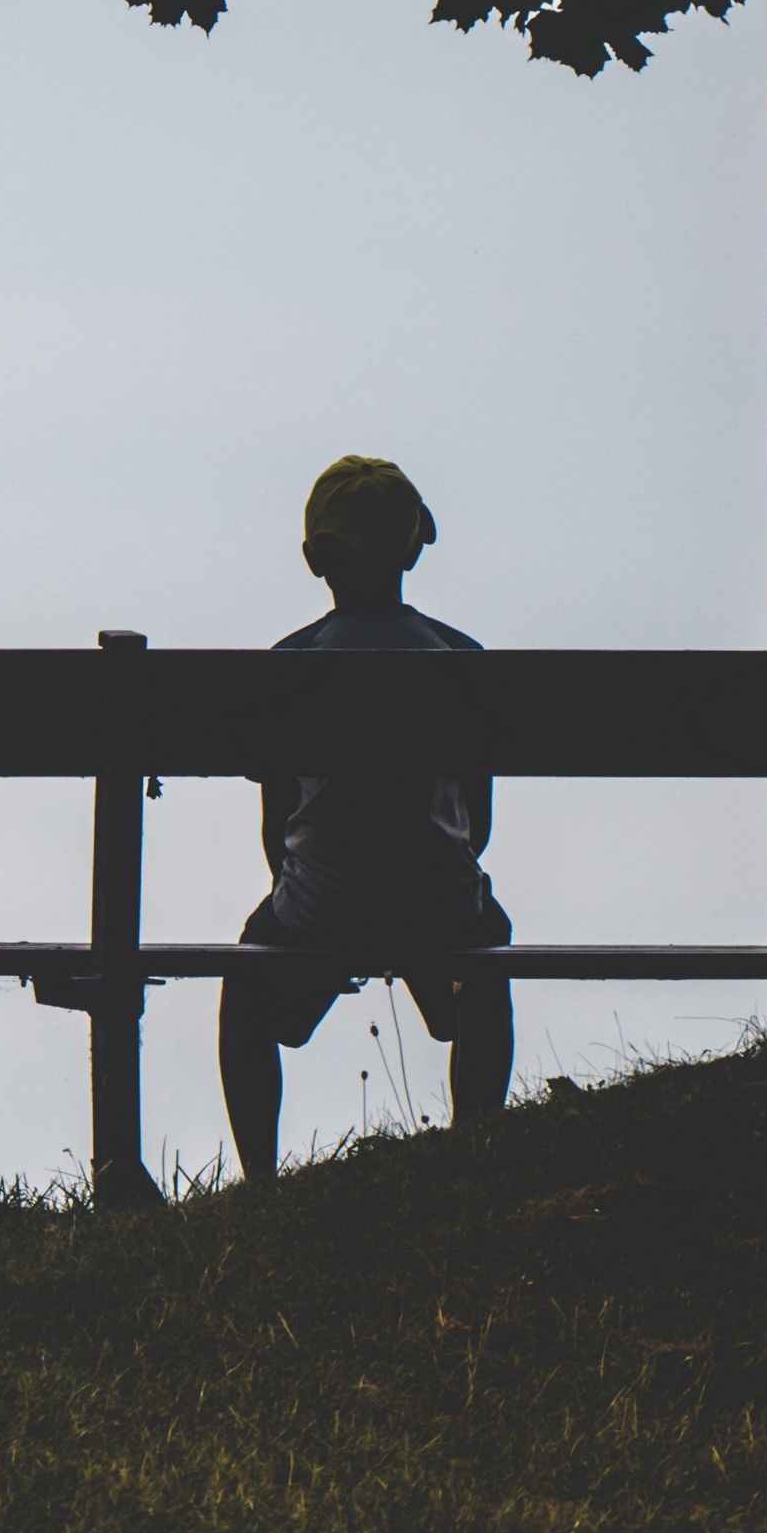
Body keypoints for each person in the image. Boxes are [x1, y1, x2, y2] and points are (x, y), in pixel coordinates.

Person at [219, 455, 515, 1177]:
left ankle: (261, 1181)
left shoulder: (289, 667)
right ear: (414, 548)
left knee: (247, 987)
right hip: (439, 904)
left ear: (317, 558)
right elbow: (477, 823)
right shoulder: (461, 660)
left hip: (322, 903)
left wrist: (316, 901)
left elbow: (275, 826)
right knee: (487, 942)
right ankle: (476, 1151)